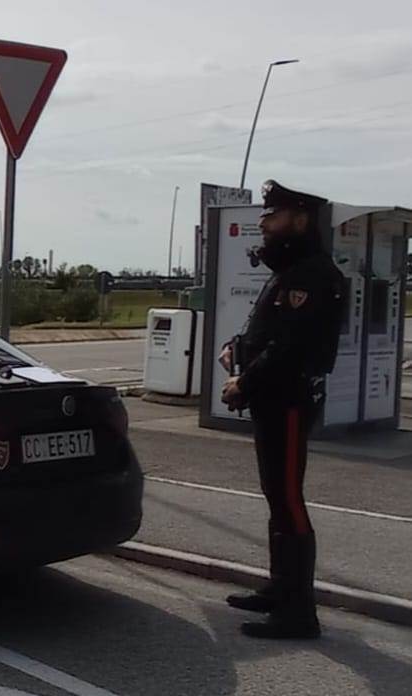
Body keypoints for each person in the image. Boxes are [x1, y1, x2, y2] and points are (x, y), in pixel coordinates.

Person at [219, 180, 343, 640]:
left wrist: (245, 382)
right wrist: (237, 350)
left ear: (301, 218)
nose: (265, 221)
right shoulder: (290, 270)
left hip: (288, 401)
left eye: (274, 213)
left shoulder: (312, 274)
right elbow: (265, 332)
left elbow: (291, 345)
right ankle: (279, 588)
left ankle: (298, 613)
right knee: (277, 497)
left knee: (289, 500)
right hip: (271, 399)